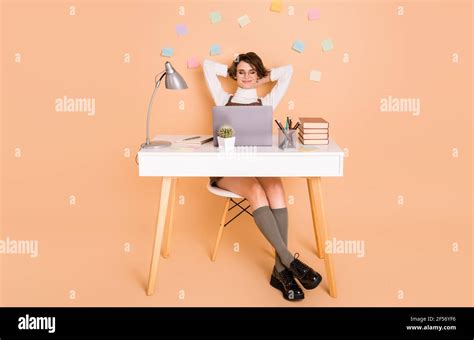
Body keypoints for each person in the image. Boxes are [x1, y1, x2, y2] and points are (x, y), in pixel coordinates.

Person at [202, 52, 322, 301]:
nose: (246, 77)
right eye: (242, 72)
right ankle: (289, 262)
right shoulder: (223, 98)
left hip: (256, 166)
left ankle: (280, 272)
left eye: (252, 73)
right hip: (228, 170)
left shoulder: (266, 101)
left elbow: (287, 70)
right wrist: (233, 69)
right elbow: (207, 66)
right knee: (256, 192)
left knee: (276, 188)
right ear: (235, 75)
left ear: (259, 75)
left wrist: (262, 74)